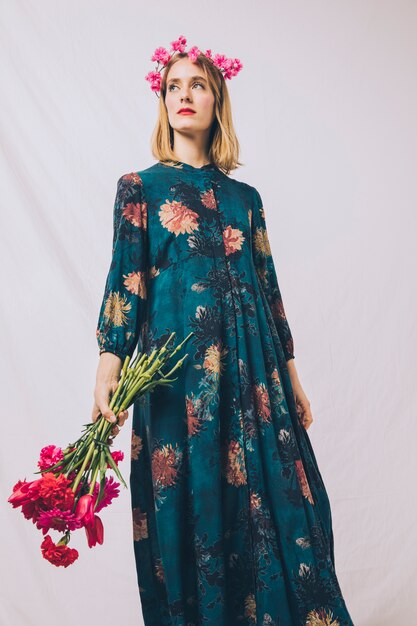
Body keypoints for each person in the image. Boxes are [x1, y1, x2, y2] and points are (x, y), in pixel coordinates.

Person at [92, 36, 355, 626]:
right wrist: (107, 372)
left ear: (218, 101)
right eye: (172, 87)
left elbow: (269, 293)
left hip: (256, 379)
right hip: (177, 383)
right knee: (194, 508)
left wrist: (294, 381)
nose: (183, 95)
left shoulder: (246, 200)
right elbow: (125, 285)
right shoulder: (139, 188)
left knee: (286, 509)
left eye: (198, 85)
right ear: (163, 104)